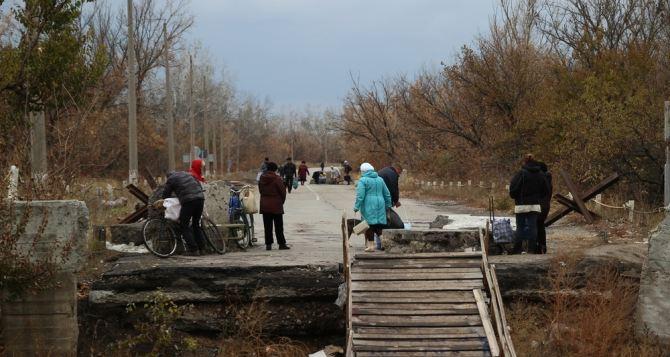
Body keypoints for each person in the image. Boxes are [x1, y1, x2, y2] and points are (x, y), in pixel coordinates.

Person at [509, 154, 550, 254]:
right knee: (533, 227)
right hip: (535, 205)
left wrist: (515, 197)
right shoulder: (540, 174)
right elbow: (546, 190)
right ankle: (531, 249)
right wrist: (538, 197)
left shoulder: (521, 173)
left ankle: (517, 249)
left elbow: (513, 187)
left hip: (521, 205)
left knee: (520, 227)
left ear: (525, 162)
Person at [162, 167, 207, 255]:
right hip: (200, 198)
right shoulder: (187, 174)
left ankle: (193, 250)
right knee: (196, 224)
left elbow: (166, 194)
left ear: (168, 176)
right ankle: (202, 249)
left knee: (183, 225)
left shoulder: (171, 179)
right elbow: (198, 184)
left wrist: (164, 200)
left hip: (189, 201)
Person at [354, 163, 392, 252]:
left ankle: (371, 246)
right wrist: (388, 205)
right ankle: (384, 242)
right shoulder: (380, 179)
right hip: (380, 202)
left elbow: (360, 195)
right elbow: (387, 194)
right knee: (379, 224)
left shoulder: (363, 180)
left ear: (363, 171)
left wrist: (356, 206)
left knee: (369, 225)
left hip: (369, 203)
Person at [259, 162, 290, 250]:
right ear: (275, 169)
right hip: (276, 204)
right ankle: (281, 244)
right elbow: (282, 191)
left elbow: (260, 190)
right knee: (279, 226)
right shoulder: (277, 178)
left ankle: (268, 244)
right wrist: (281, 201)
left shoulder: (262, 178)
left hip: (265, 204)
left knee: (267, 226)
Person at [536, 161, 552, 254]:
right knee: (541, 225)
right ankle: (543, 245)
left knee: (536, 225)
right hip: (546, 205)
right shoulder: (548, 179)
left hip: (540, 204)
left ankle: (538, 246)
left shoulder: (542, 180)